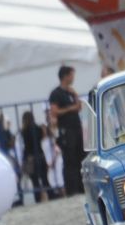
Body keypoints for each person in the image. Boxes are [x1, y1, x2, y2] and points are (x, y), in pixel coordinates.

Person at [49, 65, 87, 196]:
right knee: (69, 160)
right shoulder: (56, 94)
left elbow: (78, 107)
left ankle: (82, 187)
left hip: (76, 129)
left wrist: (75, 96)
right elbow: (54, 111)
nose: (73, 78)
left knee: (80, 157)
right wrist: (70, 109)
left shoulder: (70, 92)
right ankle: (72, 189)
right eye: (71, 75)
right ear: (65, 76)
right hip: (66, 130)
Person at [19, 110, 55, 202]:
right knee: (45, 178)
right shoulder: (38, 129)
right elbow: (44, 137)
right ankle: (51, 195)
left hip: (30, 158)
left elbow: (25, 146)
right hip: (40, 155)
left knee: (35, 181)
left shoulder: (23, 132)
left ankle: (38, 198)